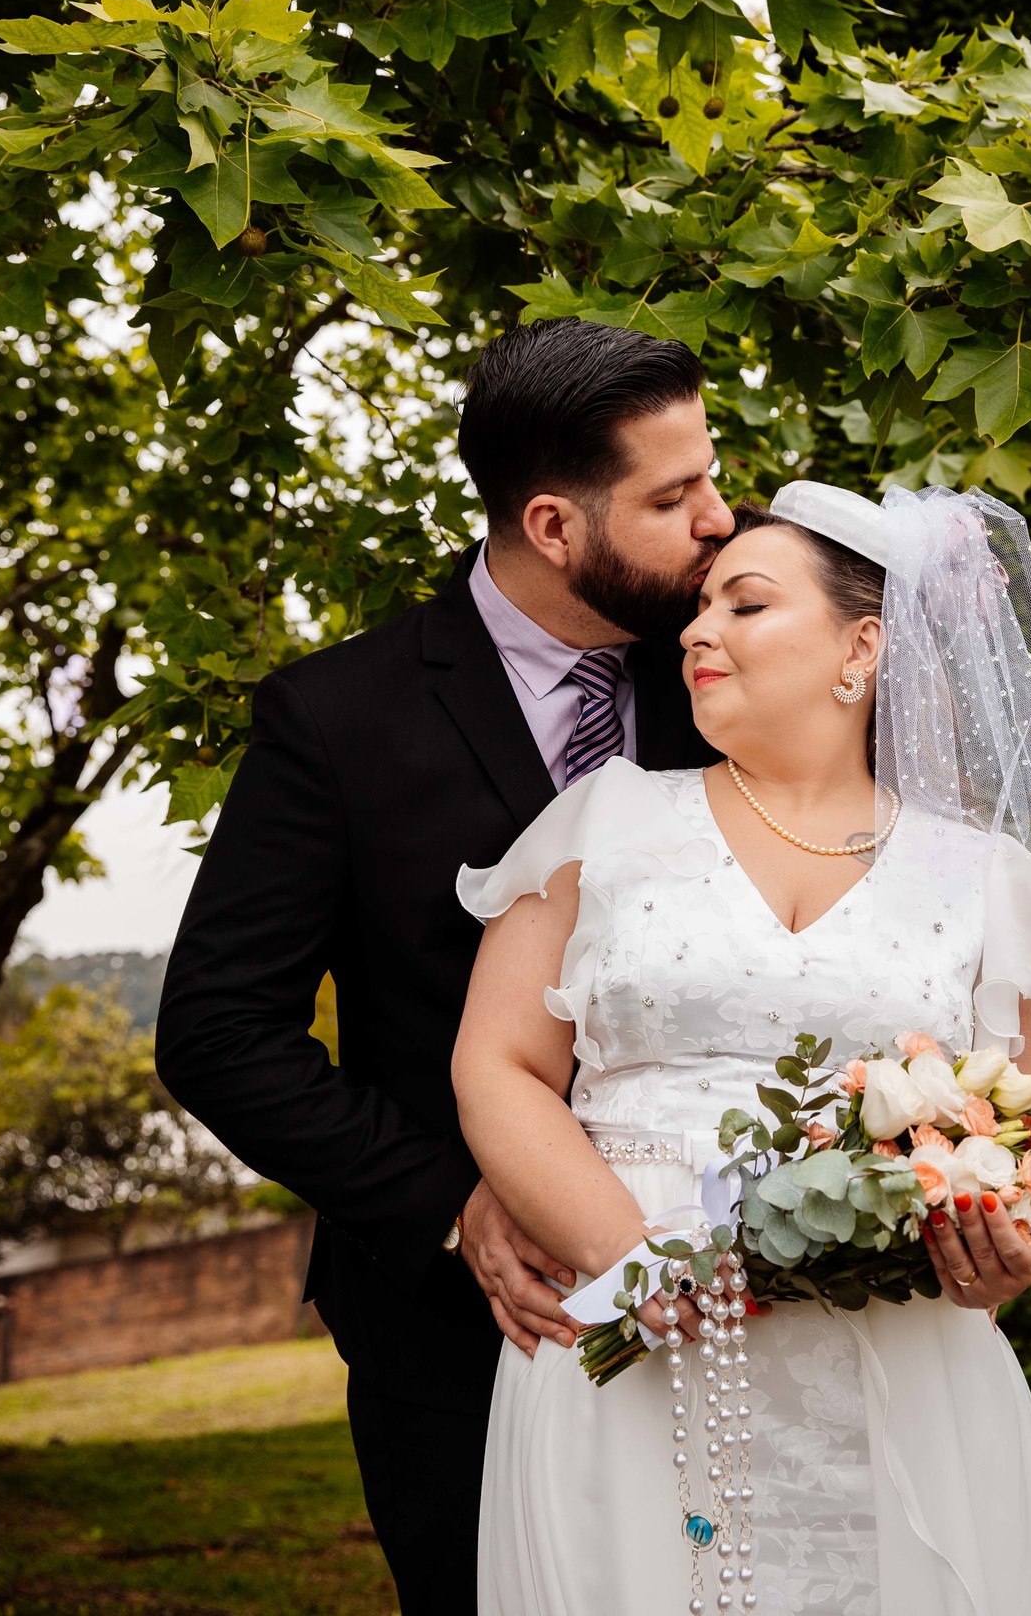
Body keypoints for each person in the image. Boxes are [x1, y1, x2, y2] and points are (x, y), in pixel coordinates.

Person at [453, 481, 1031, 1616]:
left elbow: (1024, 1149)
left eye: (745, 604)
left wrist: (1014, 1246)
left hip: (898, 1375)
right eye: (701, 607)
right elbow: (498, 1066)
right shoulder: (602, 821)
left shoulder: (989, 885)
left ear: (860, 647)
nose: (698, 630)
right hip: (628, 1344)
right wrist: (639, 1264)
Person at [153, 317, 735, 1616]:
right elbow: (218, 1031)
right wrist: (451, 1206)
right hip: (469, 1333)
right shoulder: (335, 721)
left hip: (742, 1304)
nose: (719, 517)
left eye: (712, 473)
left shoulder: (730, 671)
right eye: (673, 494)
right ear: (551, 525)